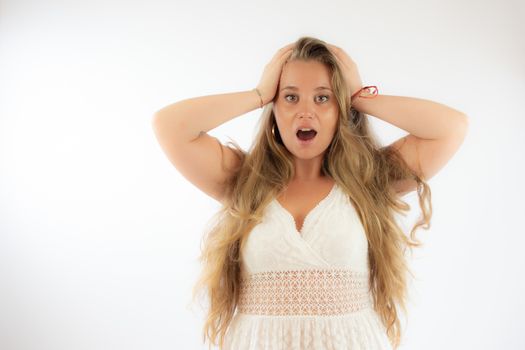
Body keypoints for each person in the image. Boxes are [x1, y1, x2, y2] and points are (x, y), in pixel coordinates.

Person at [151, 37, 469, 350]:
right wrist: (258, 93)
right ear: (274, 107)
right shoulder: (244, 182)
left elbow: (450, 129)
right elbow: (170, 126)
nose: (306, 112)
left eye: (322, 98)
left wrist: (359, 96)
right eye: (290, 98)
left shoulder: (370, 181)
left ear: (340, 108)